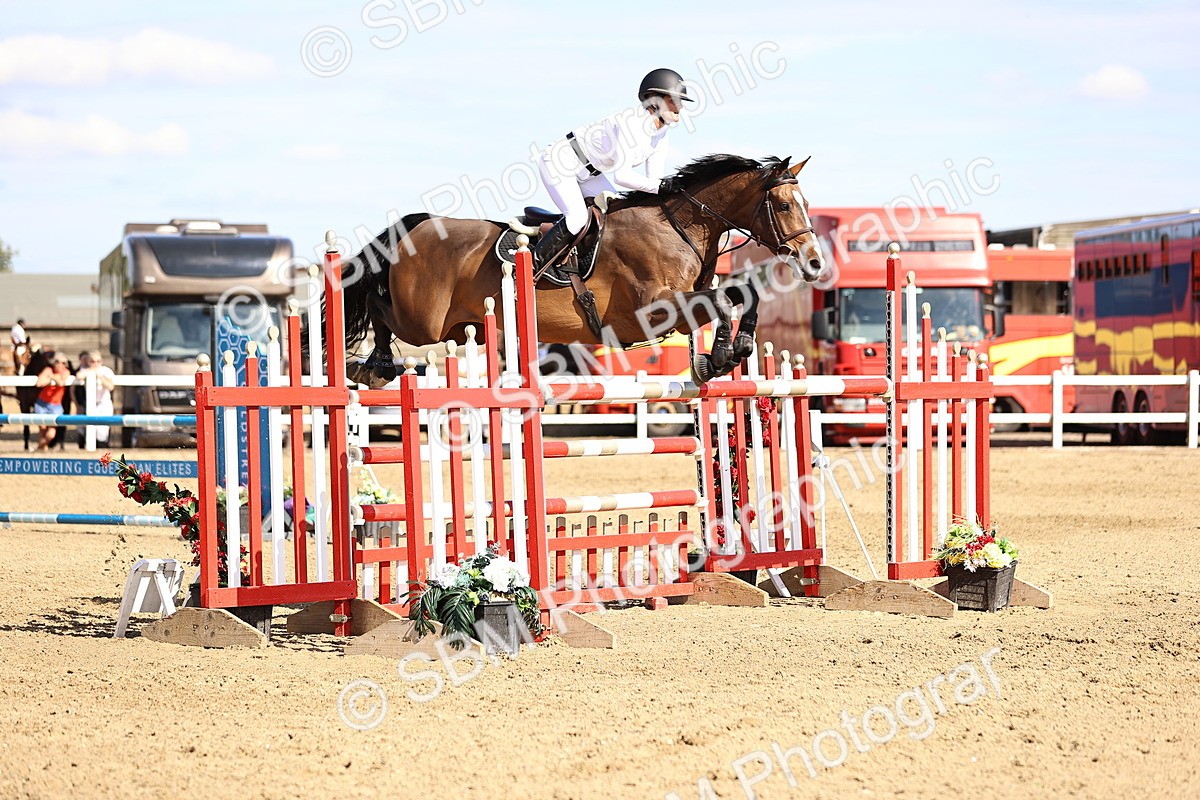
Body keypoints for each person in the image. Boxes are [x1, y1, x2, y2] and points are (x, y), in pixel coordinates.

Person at [533, 68, 694, 268]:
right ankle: (529, 269)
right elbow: (622, 176)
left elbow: (655, 181)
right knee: (576, 219)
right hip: (560, 162)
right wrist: (663, 187)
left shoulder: (661, 136)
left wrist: (679, 190)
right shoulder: (632, 124)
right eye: (673, 100)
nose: (679, 106)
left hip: (590, 174)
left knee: (618, 213)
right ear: (654, 100)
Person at [74, 351, 116, 445]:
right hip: (90, 404)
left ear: (101, 361)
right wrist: (91, 372)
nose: (95, 364)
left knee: (103, 432)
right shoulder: (85, 370)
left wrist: (100, 376)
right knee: (88, 429)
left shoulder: (106, 371)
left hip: (104, 404)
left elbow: (110, 386)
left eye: (98, 361)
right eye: (92, 361)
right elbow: (79, 376)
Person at [33, 352, 72, 451]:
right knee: (42, 429)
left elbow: (61, 383)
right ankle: (43, 449)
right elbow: (39, 383)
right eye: (57, 362)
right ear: (53, 362)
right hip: (42, 403)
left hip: (55, 405)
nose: (60, 365)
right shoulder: (48, 369)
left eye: (63, 363)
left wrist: (51, 377)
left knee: (51, 433)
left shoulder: (65, 371)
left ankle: (39, 448)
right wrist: (53, 378)